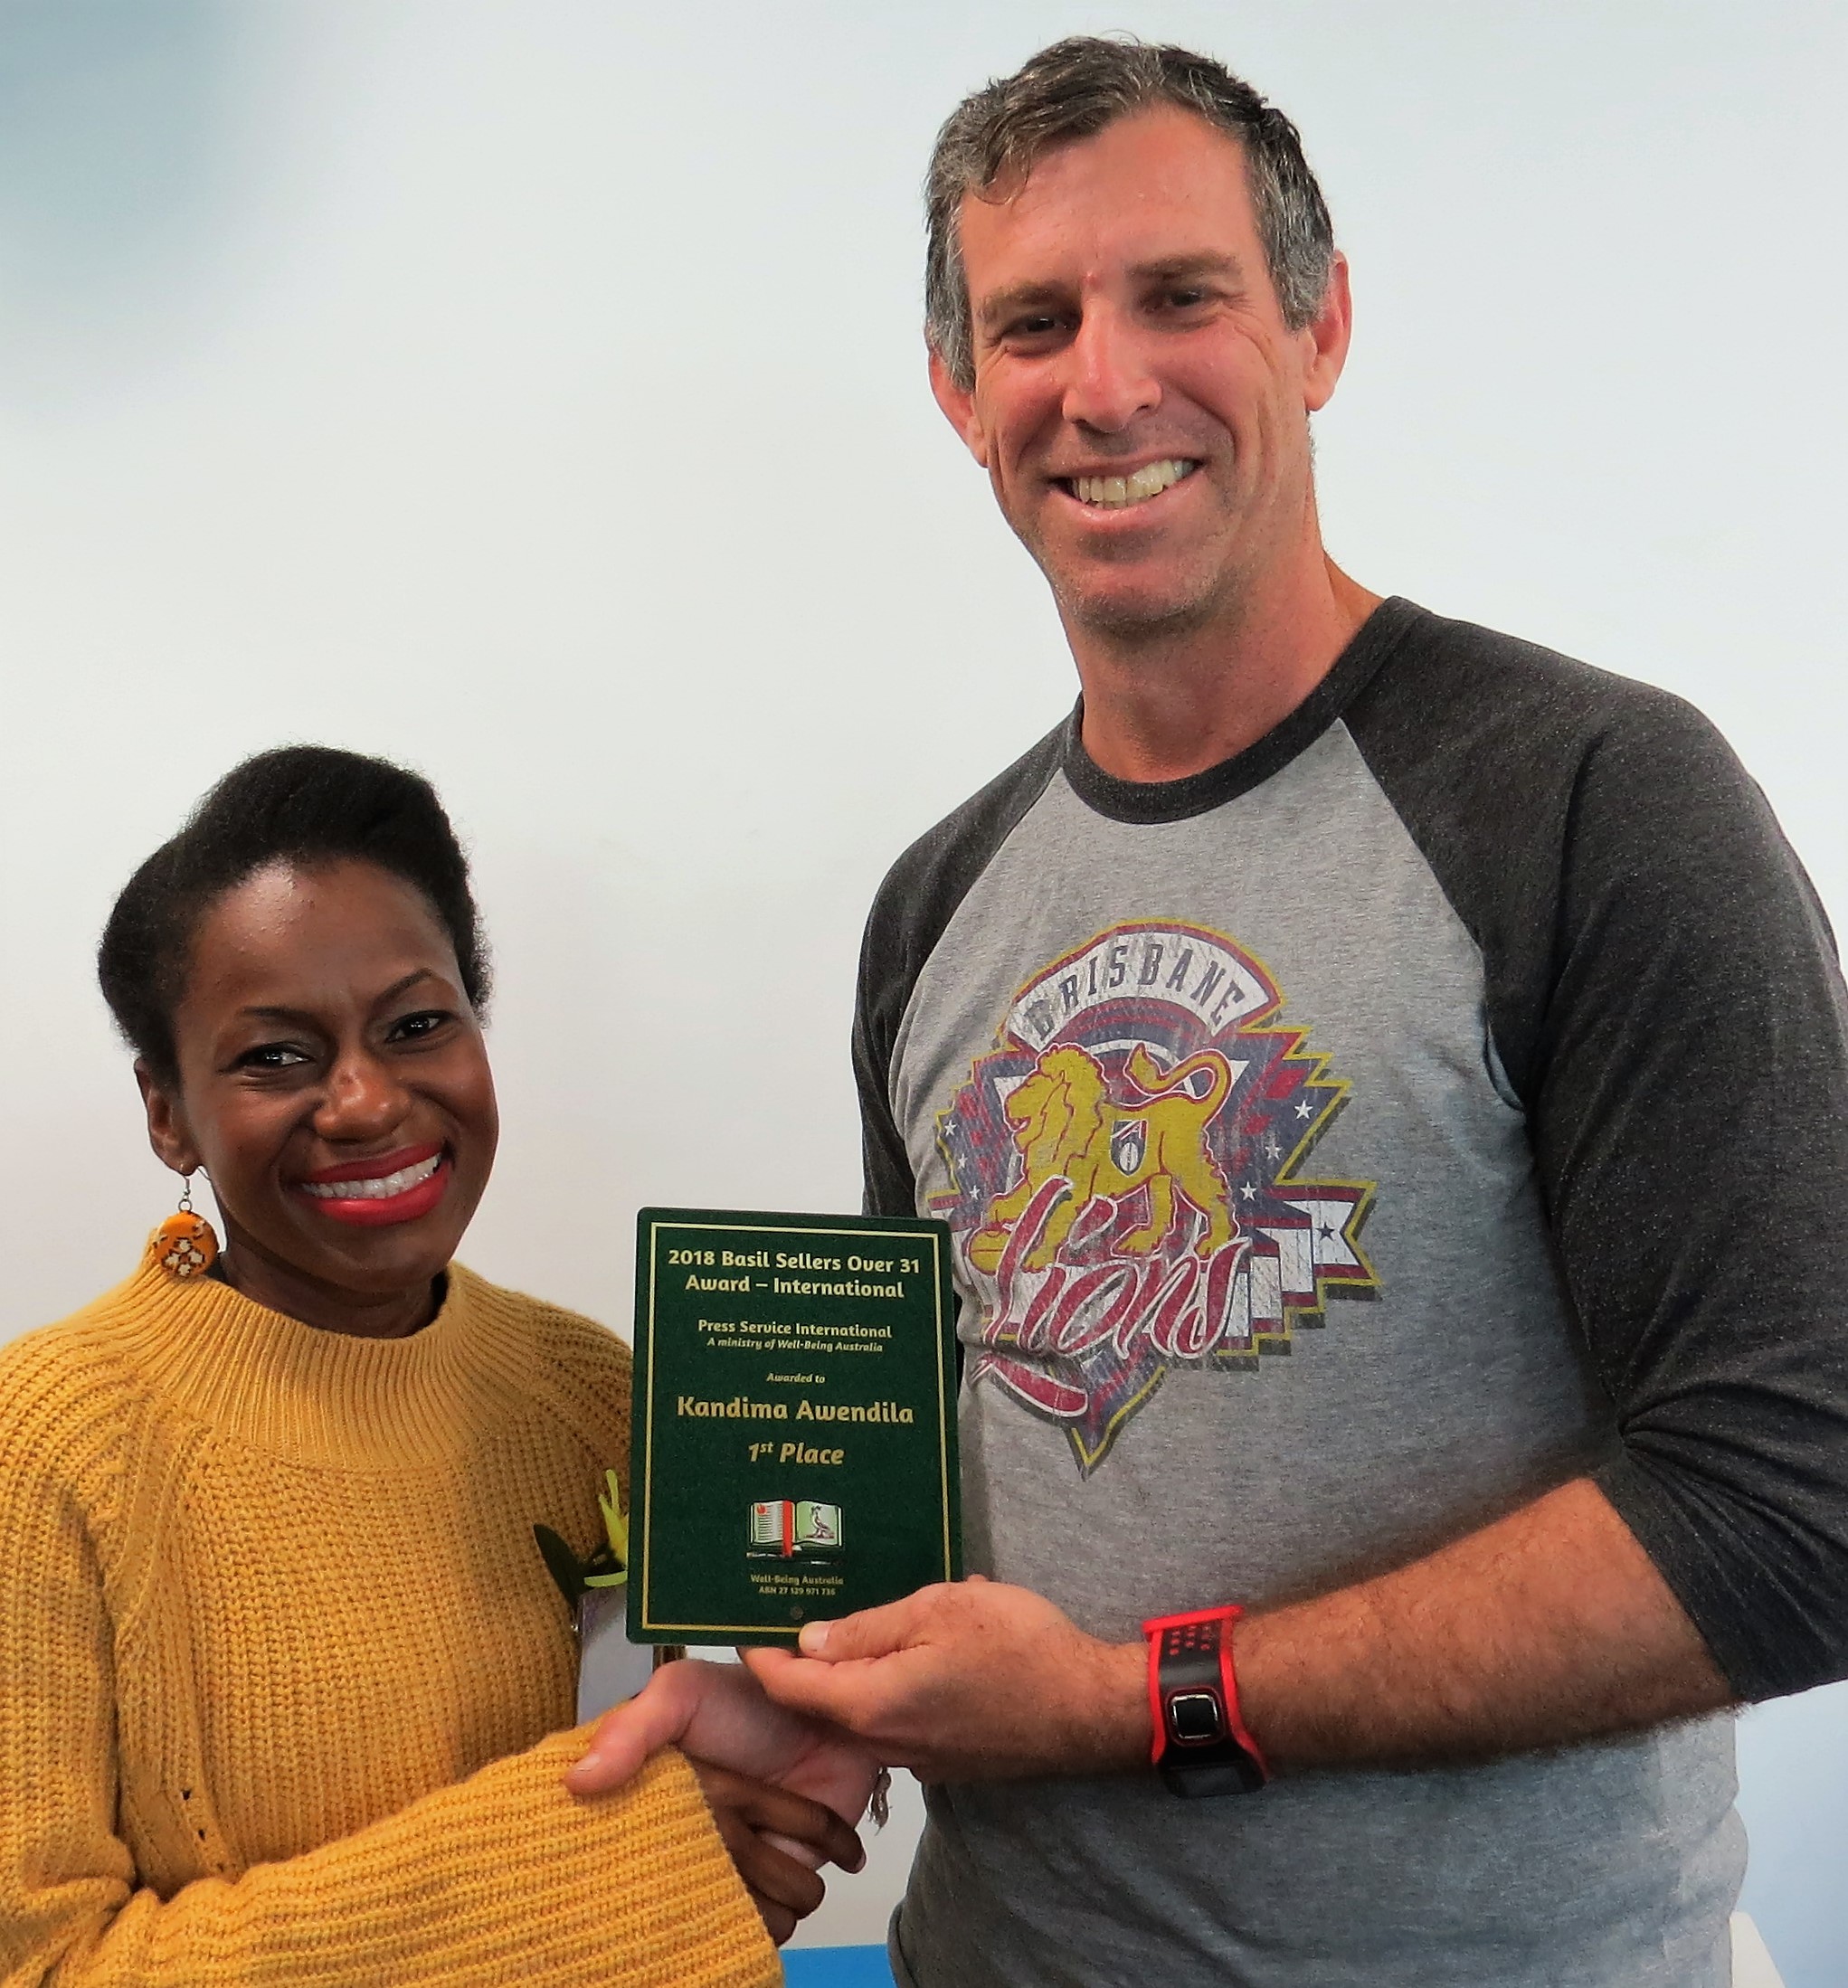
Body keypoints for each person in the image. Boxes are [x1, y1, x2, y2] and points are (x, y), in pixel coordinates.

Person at [575, 33, 1848, 1988]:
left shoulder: (1594, 800)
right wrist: (813, 1684)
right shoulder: (934, 907)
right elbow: (943, 1482)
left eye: (1180, 295)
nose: (1104, 386)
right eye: (1033, 323)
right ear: (959, 392)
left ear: (1318, 329)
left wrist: (1127, 1701)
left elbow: (1795, 1505)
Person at [0, 745, 873, 1987]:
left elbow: (659, 1834)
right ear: (167, 1111)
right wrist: (617, 1877)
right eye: (275, 1056)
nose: (364, 1102)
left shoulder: (597, 1393)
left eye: (417, 1025)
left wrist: (755, 1807)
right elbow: (45, 1966)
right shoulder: (48, 1448)